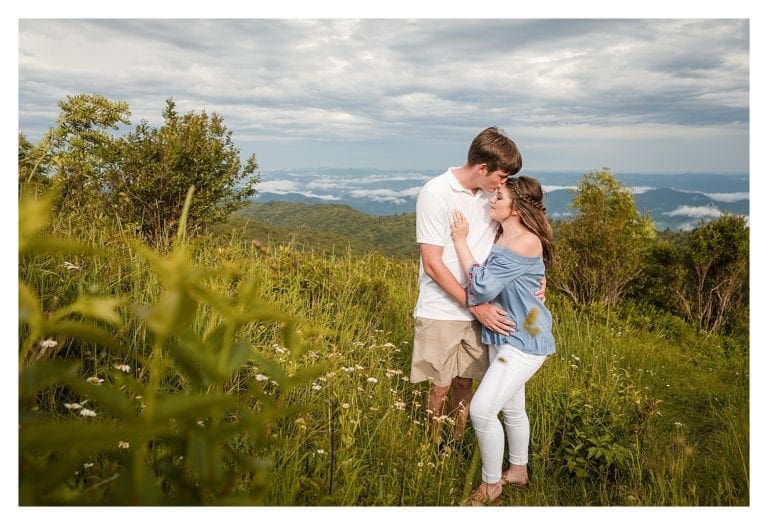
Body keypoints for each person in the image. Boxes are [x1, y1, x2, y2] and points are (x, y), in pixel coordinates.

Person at [410, 127, 541, 444]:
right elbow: (432, 263)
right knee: (439, 385)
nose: (504, 182)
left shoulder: (494, 197)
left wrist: (538, 276)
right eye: (502, 174)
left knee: (465, 383)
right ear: (483, 168)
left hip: (483, 309)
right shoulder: (436, 193)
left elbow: (523, 232)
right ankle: (433, 446)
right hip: (442, 308)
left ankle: (454, 443)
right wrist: (475, 305)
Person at [449, 175, 555, 505]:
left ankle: (491, 485)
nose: (492, 200)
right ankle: (519, 471)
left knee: (481, 411)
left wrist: (460, 241)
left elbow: (480, 287)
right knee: (512, 408)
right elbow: (521, 276)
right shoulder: (505, 234)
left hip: (523, 340)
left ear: (516, 207)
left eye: (499, 196)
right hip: (506, 333)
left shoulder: (523, 240)